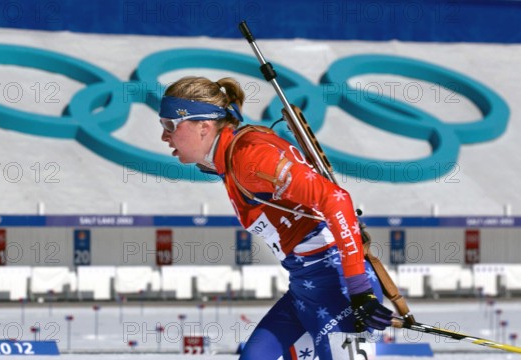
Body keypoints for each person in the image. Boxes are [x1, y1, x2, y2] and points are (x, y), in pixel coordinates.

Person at [159, 76, 393, 359]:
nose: (164, 136)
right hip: (305, 290)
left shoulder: (250, 159)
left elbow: (337, 200)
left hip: (340, 288)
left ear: (204, 126)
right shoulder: (233, 158)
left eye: (170, 125)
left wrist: (359, 290)